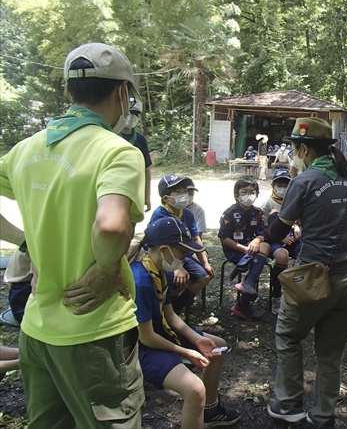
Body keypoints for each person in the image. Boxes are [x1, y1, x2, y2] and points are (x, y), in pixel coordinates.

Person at [0, 42, 146, 427]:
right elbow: (111, 224)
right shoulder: (117, 151)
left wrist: (25, 242)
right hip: (95, 333)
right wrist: (107, 268)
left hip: (36, 331)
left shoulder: (24, 150)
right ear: (122, 93)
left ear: (68, 92)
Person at [266, 117, 347, 428]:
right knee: (330, 352)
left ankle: (288, 403)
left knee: (289, 335)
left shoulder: (305, 181)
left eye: (296, 149)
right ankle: (323, 415)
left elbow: (276, 230)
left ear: (304, 148)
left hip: (313, 276)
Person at [130, 217, 240, 427]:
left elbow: (170, 315)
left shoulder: (161, 270)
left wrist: (196, 341)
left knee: (218, 346)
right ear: (164, 249)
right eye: (182, 251)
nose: (186, 256)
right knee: (194, 389)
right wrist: (186, 352)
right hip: (143, 347)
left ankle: (210, 411)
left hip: (162, 333)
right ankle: (201, 404)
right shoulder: (141, 280)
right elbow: (146, 337)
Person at [150, 175, 215, 315]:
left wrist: (205, 263)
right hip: (165, 257)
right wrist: (178, 268)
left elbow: (196, 238)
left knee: (204, 276)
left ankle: (176, 307)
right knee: (179, 281)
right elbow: (156, 244)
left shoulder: (187, 213)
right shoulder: (160, 214)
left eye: (185, 191)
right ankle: (164, 308)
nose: (184, 195)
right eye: (178, 192)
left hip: (184, 254)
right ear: (165, 198)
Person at [218, 177, 270, 321]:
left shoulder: (258, 213)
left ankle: (246, 286)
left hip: (251, 248)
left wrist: (256, 240)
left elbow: (261, 235)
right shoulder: (229, 213)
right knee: (256, 263)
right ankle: (243, 305)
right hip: (235, 249)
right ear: (236, 195)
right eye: (244, 192)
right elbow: (224, 238)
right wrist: (243, 249)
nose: (248, 195)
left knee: (265, 245)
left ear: (257, 194)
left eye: (252, 192)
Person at [260, 168, 302, 315]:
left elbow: (297, 220)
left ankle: (303, 294)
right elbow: (263, 227)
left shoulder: (293, 202)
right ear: (273, 186)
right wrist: (280, 237)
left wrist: (296, 226)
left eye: (286, 184)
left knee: (309, 251)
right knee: (282, 256)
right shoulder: (267, 204)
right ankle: (276, 295)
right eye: (279, 184)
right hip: (274, 240)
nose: (282, 188)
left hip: (293, 239)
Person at [120, 101, 152, 212]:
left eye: (135, 113)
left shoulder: (140, 139)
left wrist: (147, 196)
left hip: (134, 190)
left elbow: (146, 169)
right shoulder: (110, 135)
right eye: (129, 112)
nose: (131, 116)